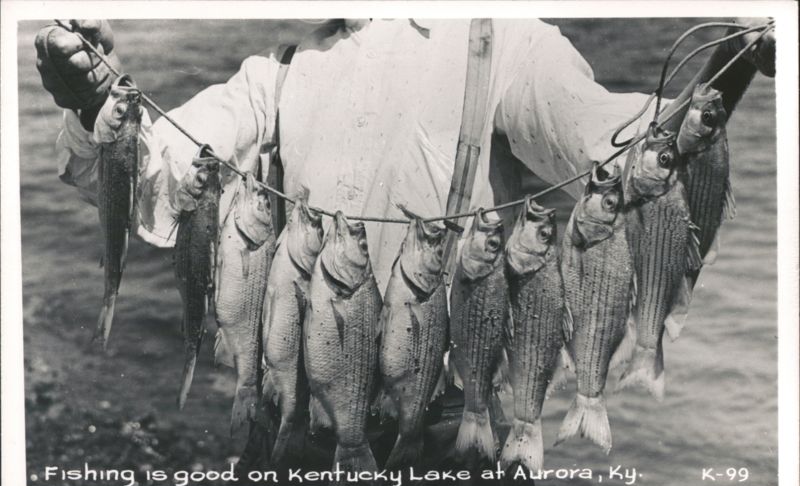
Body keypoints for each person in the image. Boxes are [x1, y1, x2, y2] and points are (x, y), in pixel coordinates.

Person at [36, 18, 773, 291]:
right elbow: (159, 173)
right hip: (294, 417)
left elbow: (621, 149)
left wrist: (731, 66)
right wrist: (93, 101)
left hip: (454, 423)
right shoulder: (279, 70)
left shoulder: (506, 42)